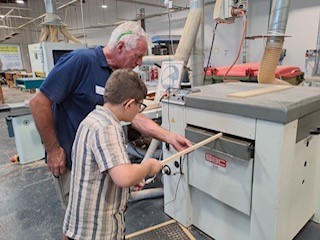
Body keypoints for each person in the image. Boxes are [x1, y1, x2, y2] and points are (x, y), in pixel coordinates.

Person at [29, 20, 191, 210]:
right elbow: (38, 103)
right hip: (76, 164)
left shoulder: (119, 76)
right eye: (137, 56)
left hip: (106, 164)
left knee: (102, 217)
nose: (139, 63)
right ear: (121, 47)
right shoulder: (81, 61)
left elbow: (134, 116)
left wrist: (170, 137)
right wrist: (53, 150)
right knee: (79, 220)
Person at [63, 69, 162, 240]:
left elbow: (104, 171)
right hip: (97, 231)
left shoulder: (92, 119)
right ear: (129, 104)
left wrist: (129, 182)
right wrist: (148, 167)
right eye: (140, 106)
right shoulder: (108, 128)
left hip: (78, 227)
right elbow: (124, 177)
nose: (140, 111)